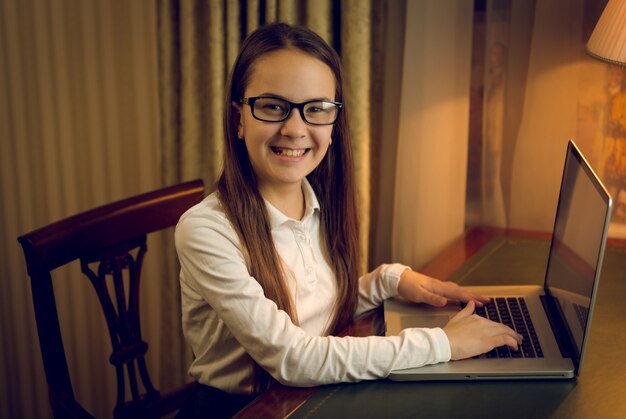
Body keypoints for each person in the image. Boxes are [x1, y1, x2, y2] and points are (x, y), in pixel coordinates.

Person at [174, 22, 522, 418]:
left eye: (316, 109)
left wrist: (390, 280)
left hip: (307, 398)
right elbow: (293, 356)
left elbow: (315, 313)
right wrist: (443, 343)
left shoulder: (317, 201)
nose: (294, 128)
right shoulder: (205, 230)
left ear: (334, 123)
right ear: (239, 119)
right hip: (244, 409)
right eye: (273, 106)